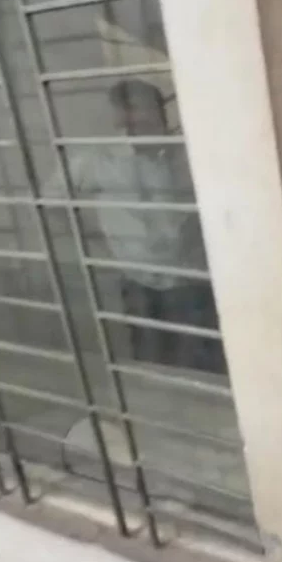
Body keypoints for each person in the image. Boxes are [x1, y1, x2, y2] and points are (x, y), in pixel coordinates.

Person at [62, 79, 223, 374]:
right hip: (139, 281)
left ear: (160, 112)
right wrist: (94, 241)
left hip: (193, 281)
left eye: (140, 108)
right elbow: (51, 200)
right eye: (126, 110)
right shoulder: (97, 160)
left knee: (204, 364)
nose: (134, 118)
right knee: (152, 362)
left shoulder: (190, 152)